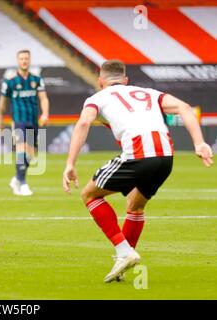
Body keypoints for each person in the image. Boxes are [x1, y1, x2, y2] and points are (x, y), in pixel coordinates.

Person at [62, 59, 214, 283]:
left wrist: (70, 163)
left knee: (89, 194)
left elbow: (83, 124)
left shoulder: (97, 97)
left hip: (138, 154)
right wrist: (199, 143)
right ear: (125, 80)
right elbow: (184, 108)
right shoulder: (148, 92)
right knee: (135, 205)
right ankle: (124, 261)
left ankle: (124, 252)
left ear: (101, 82)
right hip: (166, 157)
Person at [0, 49, 50, 196]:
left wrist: (45, 114)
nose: (24, 61)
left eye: (26, 58)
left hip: (34, 121)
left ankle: (16, 179)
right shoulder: (10, 82)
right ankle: (23, 183)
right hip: (19, 121)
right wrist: (0, 122)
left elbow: (43, 98)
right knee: (22, 150)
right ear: (18, 61)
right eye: (21, 59)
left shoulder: (37, 80)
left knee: (31, 155)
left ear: (30, 60)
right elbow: (2, 104)